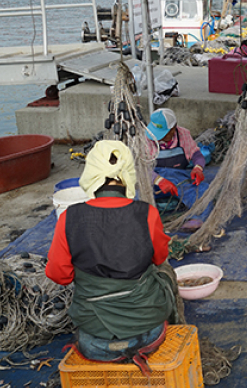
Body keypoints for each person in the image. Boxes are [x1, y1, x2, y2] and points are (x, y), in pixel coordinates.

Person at [46, 140, 182, 372]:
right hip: (147, 335)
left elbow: (59, 275)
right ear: (128, 175)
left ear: (91, 174)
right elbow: (160, 258)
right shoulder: (147, 213)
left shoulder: (69, 218)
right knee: (165, 272)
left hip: (94, 342)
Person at [145, 108, 207, 197]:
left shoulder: (183, 134)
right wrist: (159, 180)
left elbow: (196, 154)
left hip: (179, 180)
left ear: (173, 128)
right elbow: (139, 167)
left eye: (163, 134)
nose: (158, 137)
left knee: (200, 193)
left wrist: (198, 167)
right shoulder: (144, 138)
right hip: (153, 182)